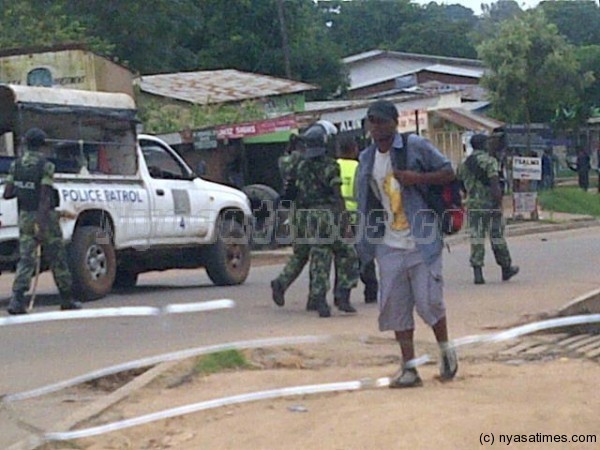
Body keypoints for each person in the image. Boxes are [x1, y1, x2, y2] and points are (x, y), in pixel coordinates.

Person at [356, 100, 458, 387]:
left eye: (380, 120)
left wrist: (417, 178)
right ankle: (409, 368)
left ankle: (445, 350)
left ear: (394, 122)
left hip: (422, 239)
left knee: (430, 302)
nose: (375, 127)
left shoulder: (415, 147)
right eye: (370, 121)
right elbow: (367, 201)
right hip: (388, 243)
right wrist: (363, 240)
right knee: (396, 307)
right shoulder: (367, 158)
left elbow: (448, 172)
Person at [3, 128, 82, 315]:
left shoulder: (16, 165)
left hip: (24, 218)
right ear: (42, 145)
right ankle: (66, 298)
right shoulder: (45, 166)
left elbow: (7, 193)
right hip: (44, 218)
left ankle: (17, 300)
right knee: (57, 257)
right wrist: (42, 223)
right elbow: (45, 197)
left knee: (26, 260)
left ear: (26, 143)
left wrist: (23, 189)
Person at [293, 120, 359, 317]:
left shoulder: (302, 166)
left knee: (320, 258)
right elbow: (337, 195)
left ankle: (319, 300)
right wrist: (345, 220)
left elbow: (298, 193)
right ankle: (343, 296)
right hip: (329, 215)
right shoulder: (330, 166)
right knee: (347, 253)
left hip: (309, 216)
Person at [457, 133, 519, 285]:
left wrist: (469, 194)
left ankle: (478, 272)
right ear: (484, 144)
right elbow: (494, 184)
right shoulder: (490, 161)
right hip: (489, 204)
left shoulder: (464, 164)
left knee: (476, 236)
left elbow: (458, 182)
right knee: (497, 236)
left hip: (473, 204)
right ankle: (505, 267)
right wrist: (498, 202)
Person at [271, 134, 313, 309]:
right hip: (309, 210)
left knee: (301, 253)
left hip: (295, 210)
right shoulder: (303, 160)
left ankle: (282, 282)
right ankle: (315, 295)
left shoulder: (284, 161)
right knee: (319, 252)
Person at [336, 135, 378, 304]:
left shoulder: (333, 166)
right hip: (356, 218)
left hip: (337, 218)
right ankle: (371, 291)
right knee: (364, 255)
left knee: (340, 257)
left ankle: (340, 294)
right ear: (354, 149)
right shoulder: (359, 168)